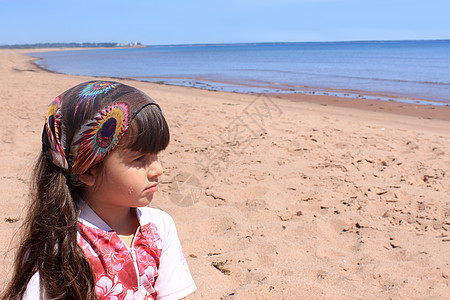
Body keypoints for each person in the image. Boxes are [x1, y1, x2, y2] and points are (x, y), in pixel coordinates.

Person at [2, 81, 197, 299]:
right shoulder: (61, 245)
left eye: (156, 155)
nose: (157, 170)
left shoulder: (159, 227)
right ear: (88, 171)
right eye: (139, 159)